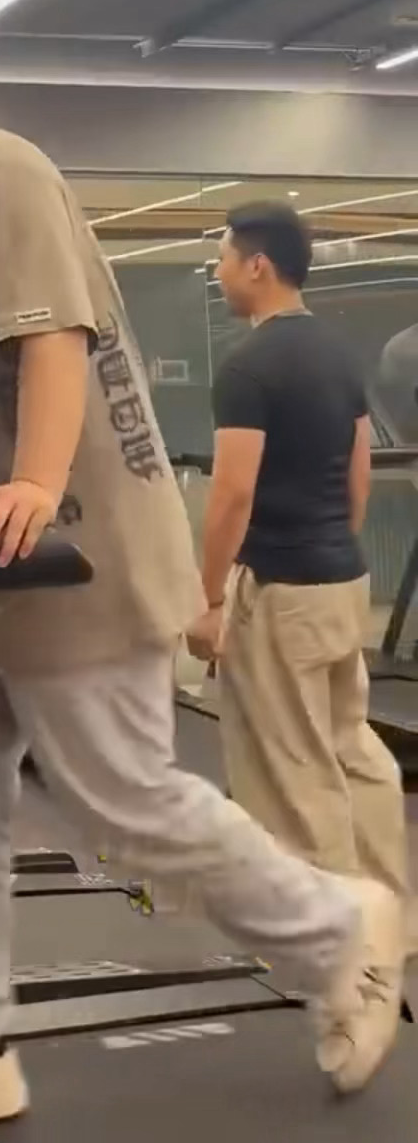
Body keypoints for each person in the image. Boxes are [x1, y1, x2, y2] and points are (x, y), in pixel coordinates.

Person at [0, 24, 403, 1132]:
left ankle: (339, 928)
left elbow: (56, 337)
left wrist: (34, 479)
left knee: (126, 804)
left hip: (77, 553)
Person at [187, 202, 407, 910]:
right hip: (341, 578)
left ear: (258, 266)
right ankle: (391, 920)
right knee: (352, 750)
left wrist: (209, 599)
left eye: (224, 257)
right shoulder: (339, 353)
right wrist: (336, 542)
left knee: (292, 773)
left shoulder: (247, 366)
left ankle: (337, 941)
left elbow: (232, 495)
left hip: (280, 591)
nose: (217, 271)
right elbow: (358, 468)